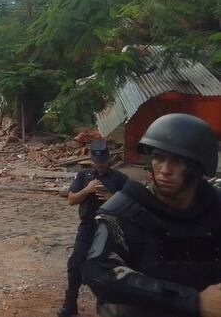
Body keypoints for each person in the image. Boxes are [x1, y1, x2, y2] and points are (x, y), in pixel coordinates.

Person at [82, 113, 221, 317]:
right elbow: (99, 274)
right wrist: (192, 300)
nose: (165, 170)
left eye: (178, 160)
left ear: (199, 167)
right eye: (158, 158)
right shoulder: (124, 211)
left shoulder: (215, 208)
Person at [58, 140, 128, 317]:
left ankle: (107, 304)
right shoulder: (84, 176)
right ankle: (70, 303)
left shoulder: (119, 178)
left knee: (107, 267)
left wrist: (112, 198)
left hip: (111, 227)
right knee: (75, 263)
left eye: (103, 162)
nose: (100, 165)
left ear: (109, 159)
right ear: (91, 161)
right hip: (88, 226)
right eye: (96, 162)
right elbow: (71, 200)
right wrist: (87, 190)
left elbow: (130, 205)